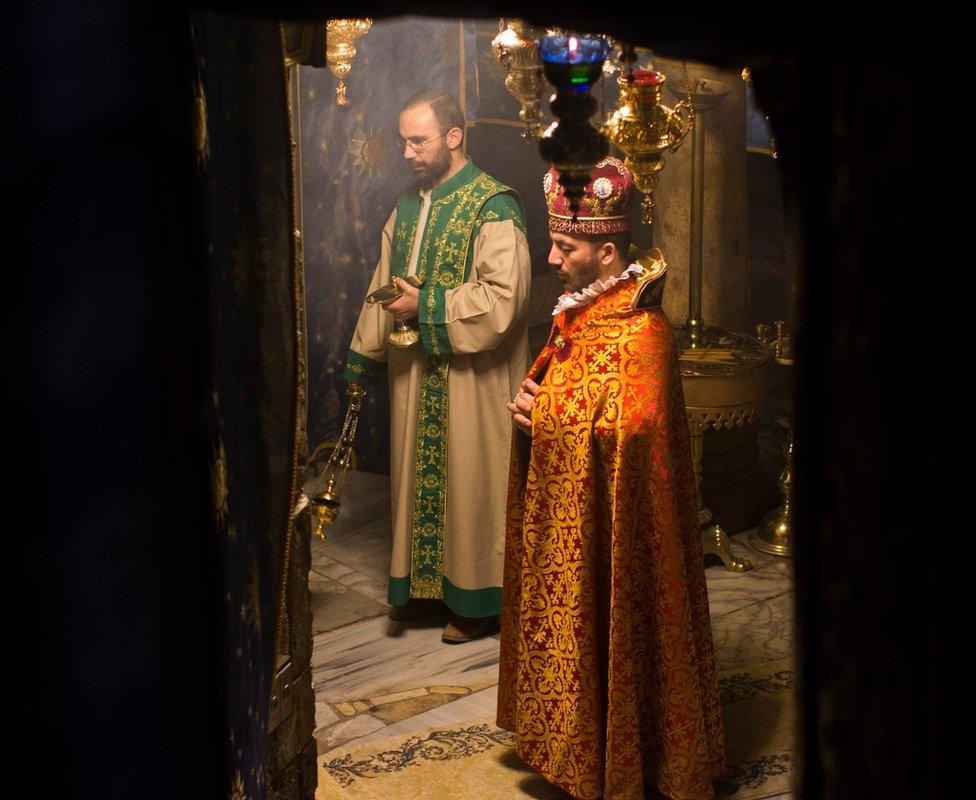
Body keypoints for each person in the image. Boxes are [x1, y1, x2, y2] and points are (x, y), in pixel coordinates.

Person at [497, 158, 725, 799]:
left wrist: (547, 413)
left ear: (604, 253)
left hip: (625, 532)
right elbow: (570, 396)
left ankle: (623, 763)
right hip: (578, 511)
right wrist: (534, 414)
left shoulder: (643, 330)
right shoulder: (581, 315)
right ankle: (572, 745)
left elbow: (636, 430)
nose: (550, 258)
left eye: (564, 246)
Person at [343, 91, 531, 643]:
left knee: (473, 484)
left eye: (417, 140)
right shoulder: (406, 206)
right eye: (403, 140)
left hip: (475, 384)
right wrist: (364, 356)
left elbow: (503, 300)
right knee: (417, 484)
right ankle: (424, 592)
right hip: (414, 376)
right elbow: (385, 285)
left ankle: (475, 605)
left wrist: (425, 306)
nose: (406, 152)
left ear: (454, 137)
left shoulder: (495, 205)